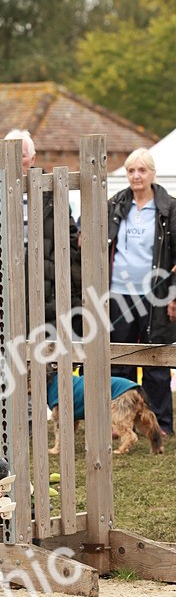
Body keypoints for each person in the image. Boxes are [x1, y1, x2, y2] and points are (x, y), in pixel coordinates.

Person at [0, 129, 80, 441]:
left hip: (39, 283)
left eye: (24, 156)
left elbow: (69, 238)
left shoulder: (51, 189)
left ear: (33, 157)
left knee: (33, 351)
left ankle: (30, 414)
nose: (19, 162)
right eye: (12, 155)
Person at [107, 147, 176, 435]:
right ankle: (120, 424)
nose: (136, 176)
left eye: (142, 170)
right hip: (118, 294)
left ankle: (160, 424)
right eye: (131, 171)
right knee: (119, 361)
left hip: (156, 295)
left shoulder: (169, 208)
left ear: (152, 173)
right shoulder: (114, 205)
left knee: (155, 360)